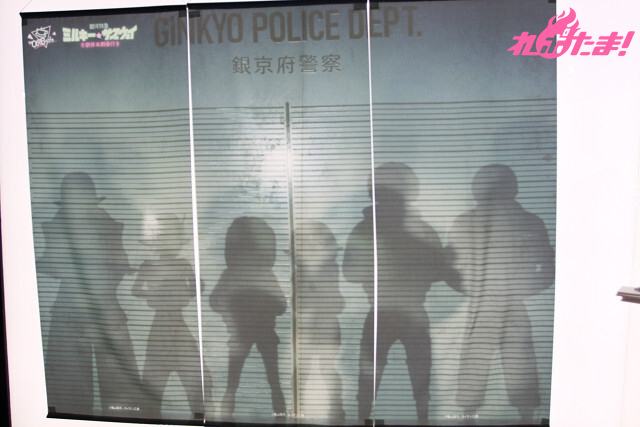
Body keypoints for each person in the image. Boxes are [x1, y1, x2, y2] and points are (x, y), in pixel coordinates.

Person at [343, 163, 460, 425]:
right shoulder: (417, 229)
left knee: (389, 372)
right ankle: (416, 418)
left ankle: (371, 417)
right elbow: (439, 270)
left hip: (390, 312)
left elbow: (351, 272)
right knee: (406, 371)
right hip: (400, 312)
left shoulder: (368, 228)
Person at [448, 164, 555, 424]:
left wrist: (480, 290)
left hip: (494, 304)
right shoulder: (528, 221)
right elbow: (448, 268)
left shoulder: (469, 221)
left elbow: (449, 269)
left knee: (502, 360)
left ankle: (516, 416)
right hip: (496, 303)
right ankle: (521, 417)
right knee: (503, 360)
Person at [38, 172, 140, 416]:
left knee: (121, 386)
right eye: (73, 201)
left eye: (82, 200)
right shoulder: (58, 226)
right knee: (67, 386)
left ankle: (124, 414)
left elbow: (120, 265)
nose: (78, 207)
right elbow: (53, 264)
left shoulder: (108, 225)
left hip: (106, 307)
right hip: (68, 309)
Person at [132, 213, 211, 419]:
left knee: (195, 376)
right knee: (154, 379)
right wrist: (155, 294)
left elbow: (199, 286)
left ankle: (200, 416)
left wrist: (183, 293)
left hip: (178, 324)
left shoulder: (183, 264)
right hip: (160, 327)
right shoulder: (147, 266)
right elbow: (136, 290)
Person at [211, 217, 287, 418]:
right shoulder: (235, 274)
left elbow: (281, 306)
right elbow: (215, 301)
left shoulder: (262, 275)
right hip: (244, 333)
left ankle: (280, 413)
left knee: (272, 379)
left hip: (259, 333)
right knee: (237, 380)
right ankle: (227, 411)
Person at [296, 221, 345, 422]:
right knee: (305, 369)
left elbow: (337, 301)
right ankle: (298, 408)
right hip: (309, 328)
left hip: (325, 327)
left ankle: (336, 408)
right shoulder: (300, 272)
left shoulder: (330, 270)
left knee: (326, 368)